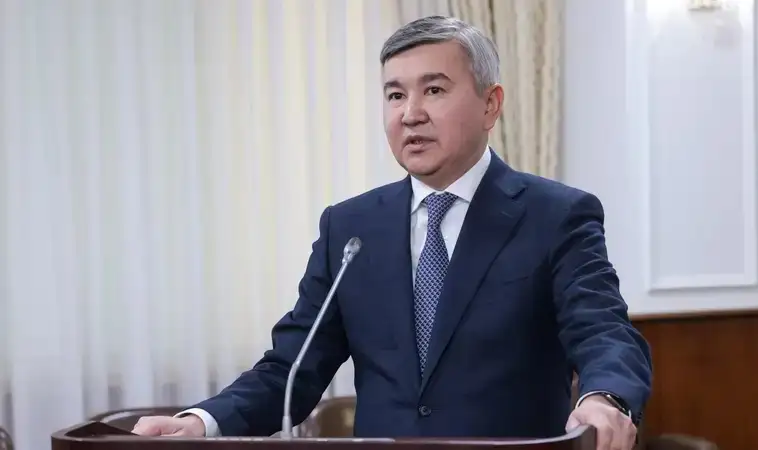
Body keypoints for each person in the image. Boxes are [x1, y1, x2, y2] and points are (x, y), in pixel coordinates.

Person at [133, 15, 652, 450]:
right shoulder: (350, 227)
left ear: (490, 104)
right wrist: (202, 422)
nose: (410, 114)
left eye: (434, 90)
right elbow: (292, 367)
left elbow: (603, 330)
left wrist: (605, 397)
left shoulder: (555, 215)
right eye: (395, 94)